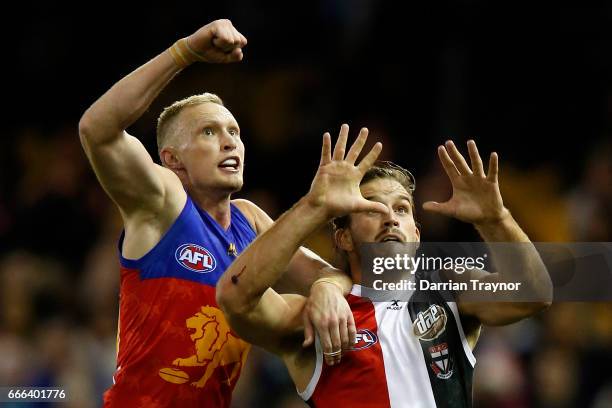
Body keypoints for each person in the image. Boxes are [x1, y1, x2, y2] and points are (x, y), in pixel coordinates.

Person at [78, 19, 356, 407]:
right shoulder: (164, 205)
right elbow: (97, 128)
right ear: (172, 160)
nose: (230, 143)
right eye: (209, 132)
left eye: (235, 132)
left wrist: (326, 289)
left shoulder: (250, 220)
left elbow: (333, 275)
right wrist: (185, 51)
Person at [217, 125, 553, 407]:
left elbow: (534, 294)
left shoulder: (451, 293)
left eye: (402, 209)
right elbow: (235, 298)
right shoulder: (316, 319)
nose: (390, 218)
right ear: (344, 237)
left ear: (416, 235)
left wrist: (495, 218)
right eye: (372, 208)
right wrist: (314, 206)